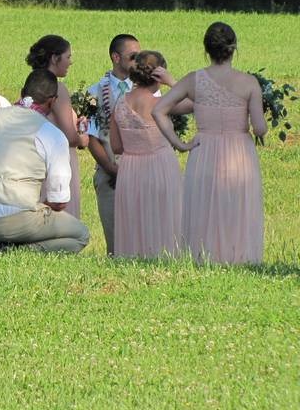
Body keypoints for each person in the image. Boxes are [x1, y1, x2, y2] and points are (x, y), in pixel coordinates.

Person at [153, 22, 266, 264]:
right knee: (237, 205)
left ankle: (204, 257)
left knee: (205, 206)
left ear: (206, 49)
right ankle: (238, 258)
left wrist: (179, 143)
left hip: (204, 151)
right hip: (239, 153)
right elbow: (259, 127)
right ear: (234, 49)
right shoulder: (248, 82)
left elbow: (159, 110)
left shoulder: (194, 79)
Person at [0, 69, 90, 253]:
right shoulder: (51, 134)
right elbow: (58, 201)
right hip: (14, 217)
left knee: (6, 223)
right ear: (52, 101)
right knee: (80, 234)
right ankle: (14, 252)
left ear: (22, 92)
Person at [109, 51, 189, 257]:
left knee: (134, 216)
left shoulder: (119, 103)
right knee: (162, 216)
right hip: (160, 165)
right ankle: (163, 258)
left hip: (130, 168)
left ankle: (132, 258)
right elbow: (196, 103)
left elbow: (116, 146)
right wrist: (174, 83)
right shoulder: (160, 103)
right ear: (158, 76)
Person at [86, 33, 143, 255]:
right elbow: (91, 137)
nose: (138, 62)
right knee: (115, 237)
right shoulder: (94, 92)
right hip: (109, 169)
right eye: (133, 56)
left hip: (142, 168)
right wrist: (112, 170)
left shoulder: (147, 89)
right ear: (116, 57)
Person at [26, 35, 89, 219]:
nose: (70, 62)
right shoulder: (57, 88)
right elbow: (69, 135)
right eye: (68, 57)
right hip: (57, 156)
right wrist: (83, 139)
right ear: (55, 58)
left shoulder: (34, 81)